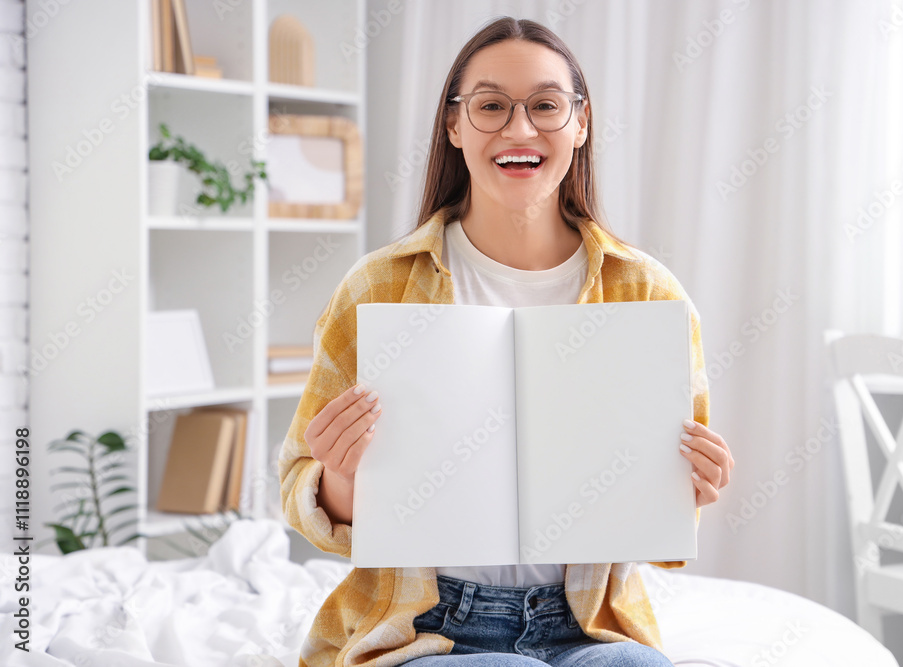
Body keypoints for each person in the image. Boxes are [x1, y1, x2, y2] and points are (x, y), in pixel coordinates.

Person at [278, 16, 735, 667]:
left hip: (589, 622)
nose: (519, 130)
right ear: (455, 126)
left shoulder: (649, 292)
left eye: (545, 105)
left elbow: (663, 523)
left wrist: (691, 484)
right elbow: (301, 490)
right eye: (491, 106)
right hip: (425, 625)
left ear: (580, 123)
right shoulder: (377, 287)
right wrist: (343, 476)